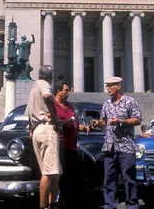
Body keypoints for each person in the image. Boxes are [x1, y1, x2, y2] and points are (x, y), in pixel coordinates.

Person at [91, 76, 142, 209]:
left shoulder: (130, 102)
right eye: (107, 85)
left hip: (126, 146)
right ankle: (109, 205)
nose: (107, 88)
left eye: (110, 85)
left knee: (129, 178)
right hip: (109, 146)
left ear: (119, 86)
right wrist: (97, 123)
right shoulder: (107, 104)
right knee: (109, 179)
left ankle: (131, 205)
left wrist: (121, 121)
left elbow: (137, 120)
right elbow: (103, 121)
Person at [25, 65, 61, 209]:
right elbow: (47, 96)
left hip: (37, 130)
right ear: (50, 76)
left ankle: (52, 203)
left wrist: (32, 130)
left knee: (53, 171)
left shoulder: (33, 88)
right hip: (46, 128)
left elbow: (28, 114)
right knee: (49, 172)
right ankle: (44, 206)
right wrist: (55, 114)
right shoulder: (45, 86)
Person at [53, 76, 90, 209]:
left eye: (69, 90)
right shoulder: (53, 106)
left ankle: (74, 202)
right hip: (61, 146)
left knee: (77, 177)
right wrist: (64, 123)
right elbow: (52, 123)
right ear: (58, 91)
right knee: (64, 178)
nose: (69, 93)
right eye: (66, 90)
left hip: (73, 146)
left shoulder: (69, 106)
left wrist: (83, 127)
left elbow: (75, 123)